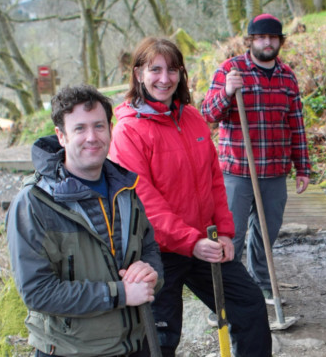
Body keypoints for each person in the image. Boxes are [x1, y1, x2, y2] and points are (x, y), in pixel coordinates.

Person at [109, 37, 271, 357]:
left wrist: (224, 233)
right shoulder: (127, 132)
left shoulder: (192, 118)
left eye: (172, 70)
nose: (165, 78)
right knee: (160, 340)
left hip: (202, 242)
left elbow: (214, 180)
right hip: (156, 252)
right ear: (139, 74)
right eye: (155, 70)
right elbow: (145, 202)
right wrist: (191, 241)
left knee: (249, 306)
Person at [6, 85, 163, 357]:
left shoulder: (125, 189)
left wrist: (150, 273)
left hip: (136, 343)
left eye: (99, 126)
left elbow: (149, 248)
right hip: (71, 350)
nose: (92, 137)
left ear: (110, 129)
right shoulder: (34, 203)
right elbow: (38, 292)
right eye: (79, 128)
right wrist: (120, 293)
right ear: (61, 136)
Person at [201, 13, 312, 302]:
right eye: (261, 37)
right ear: (251, 40)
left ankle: (262, 283)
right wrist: (227, 91)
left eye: (272, 38)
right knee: (232, 235)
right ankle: (226, 297)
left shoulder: (287, 76)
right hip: (236, 171)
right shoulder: (230, 70)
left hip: (274, 171)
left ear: (279, 42)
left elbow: (296, 124)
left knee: (267, 232)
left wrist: (303, 167)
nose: (267, 42)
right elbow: (207, 115)